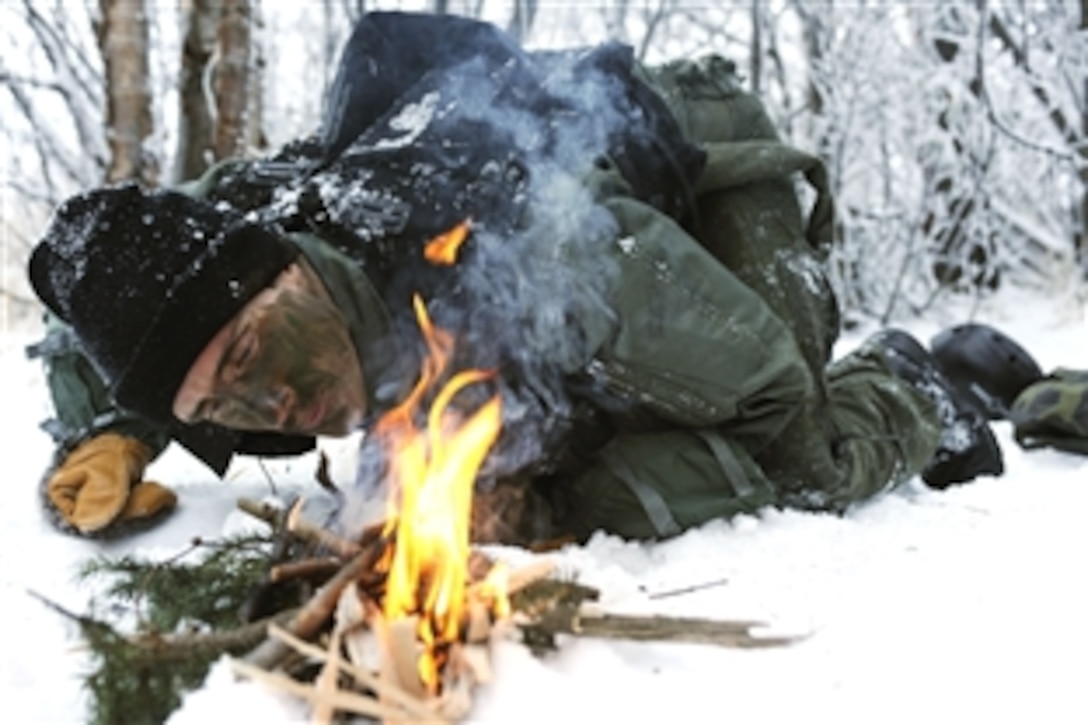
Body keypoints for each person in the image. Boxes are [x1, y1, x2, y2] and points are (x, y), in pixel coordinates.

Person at [27, 11, 1005, 544]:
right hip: (557, 237)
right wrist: (113, 427)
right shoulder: (251, 223)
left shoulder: (521, 250)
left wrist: (553, 494)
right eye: (218, 403)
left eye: (247, 353)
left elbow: (771, 399)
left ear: (285, 271)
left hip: (690, 188)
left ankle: (912, 382)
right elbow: (104, 306)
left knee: (796, 462)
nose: (266, 402)